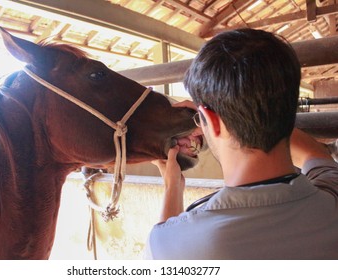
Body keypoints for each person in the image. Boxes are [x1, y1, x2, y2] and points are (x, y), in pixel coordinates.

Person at [144, 28, 338, 259]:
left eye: (200, 119)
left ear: (213, 122)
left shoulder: (171, 244)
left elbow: (166, 247)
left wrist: (172, 186)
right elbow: (315, 155)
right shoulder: (331, 196)